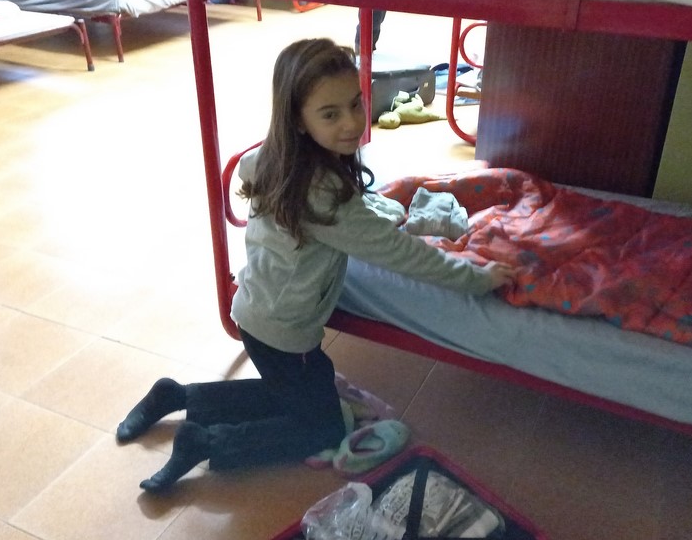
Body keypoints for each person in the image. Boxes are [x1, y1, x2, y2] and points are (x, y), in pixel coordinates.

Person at [116, 37, 518, 494]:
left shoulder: (275, 159)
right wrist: (477, 278)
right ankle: (207, 442)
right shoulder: (324, 198)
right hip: (284, 331)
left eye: (355, 103)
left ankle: (178, 396)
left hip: (256, 309)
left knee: (294, 392)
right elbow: (401, 253)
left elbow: (337, 213)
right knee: (322, 429)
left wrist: (369, 211)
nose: (352, 122)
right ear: (298, 121)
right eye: (330, 114)